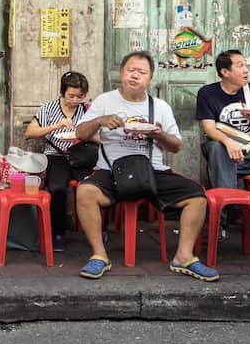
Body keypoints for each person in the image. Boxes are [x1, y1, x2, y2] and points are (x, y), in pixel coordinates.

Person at [74, 51, 218, 282]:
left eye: (141, 72)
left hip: (151, 171)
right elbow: (80, 134)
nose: (135, 76)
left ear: (150, 78)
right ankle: (99, 255)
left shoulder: (160, 106)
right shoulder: (104, 101)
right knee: (85, 191)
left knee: (197, 196)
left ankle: (183, 256)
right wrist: (100, 120)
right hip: (111, 170)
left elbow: (176, 146)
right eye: (131, 70)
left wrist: (159, 134)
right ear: (121, 73)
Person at [195, 49, 250, 235]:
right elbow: (209, 128)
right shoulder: (207, 93)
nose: (246, 70)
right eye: (240, 66)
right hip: (220, 149)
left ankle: (219, 221)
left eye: (246, 65)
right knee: (217, 148)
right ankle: (229, 207)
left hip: (248, 154)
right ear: (225, 72)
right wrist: (229, 143)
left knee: (219, 165)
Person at [25, 70, 98, 252]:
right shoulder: (49, 108)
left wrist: (85, 135)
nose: (75, 100)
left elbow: (99, 137)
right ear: (62, 92)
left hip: (82, 154)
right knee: (57, 188)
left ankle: (99, 230)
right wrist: (55, 126)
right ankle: (58, 233)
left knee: (96, 186)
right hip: (56, 155)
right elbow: (30, 133)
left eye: (79, 96)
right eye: (70, 96)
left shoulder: (88, 110)